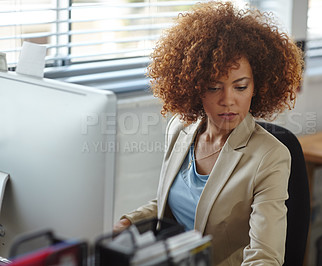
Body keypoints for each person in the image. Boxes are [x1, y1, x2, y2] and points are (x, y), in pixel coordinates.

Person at [113, 1, 303, 265]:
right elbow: (173, 201)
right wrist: (128, 222)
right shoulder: (180, 128)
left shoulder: (270, 157)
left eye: (240, 87)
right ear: (195, 87)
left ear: (256, 87)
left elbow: (265, 256)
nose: (228, 100)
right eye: (214, 87)